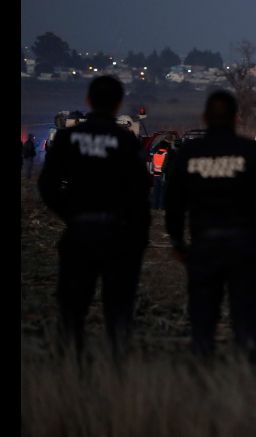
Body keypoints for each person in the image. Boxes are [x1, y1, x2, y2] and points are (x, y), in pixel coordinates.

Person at [165, 90, 256, 363]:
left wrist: (177, 242)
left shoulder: (190, 153)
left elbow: (173, 202)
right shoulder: (248, 151)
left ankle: (202, 381)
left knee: (203, 320)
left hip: (204, 246)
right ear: (236, 118)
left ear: (204, 118)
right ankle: (245, 379)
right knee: (245, 319)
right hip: (244, 246)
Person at [37, 76, 150, 359]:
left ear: (88, 101)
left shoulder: (67, 138)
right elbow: (140, 190)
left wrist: (70, 214)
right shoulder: (124, 140)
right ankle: (116, 368)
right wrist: (137, 234)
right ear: (118, 104)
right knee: (118, 309)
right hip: (116, 234)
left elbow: (47, 185)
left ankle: (70, 368)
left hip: (79, 232)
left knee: (72, 309)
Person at [150, 134, 174, 209]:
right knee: (163, 191)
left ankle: (155, 206)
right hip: (163, 173)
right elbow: (168, 162)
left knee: (156, 190)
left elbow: (152, 155)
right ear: (170, 140)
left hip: (156, 171)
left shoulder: (157, 147)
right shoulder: (168, 148)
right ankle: (161, 207)